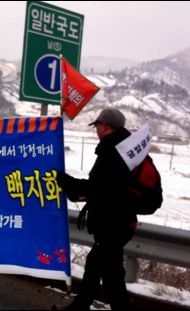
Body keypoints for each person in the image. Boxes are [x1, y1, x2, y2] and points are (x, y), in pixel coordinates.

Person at [53, 108, 137, 310]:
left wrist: (65, 181)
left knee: (112, 278)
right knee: (97, 268)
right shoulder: (127, 147)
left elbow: (95, 188)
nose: (97, 130)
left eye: (97, 126)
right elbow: (106, 188)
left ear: (105, 126)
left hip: (112, 224)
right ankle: (79, 307)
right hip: (121, 220)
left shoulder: (111, 151)